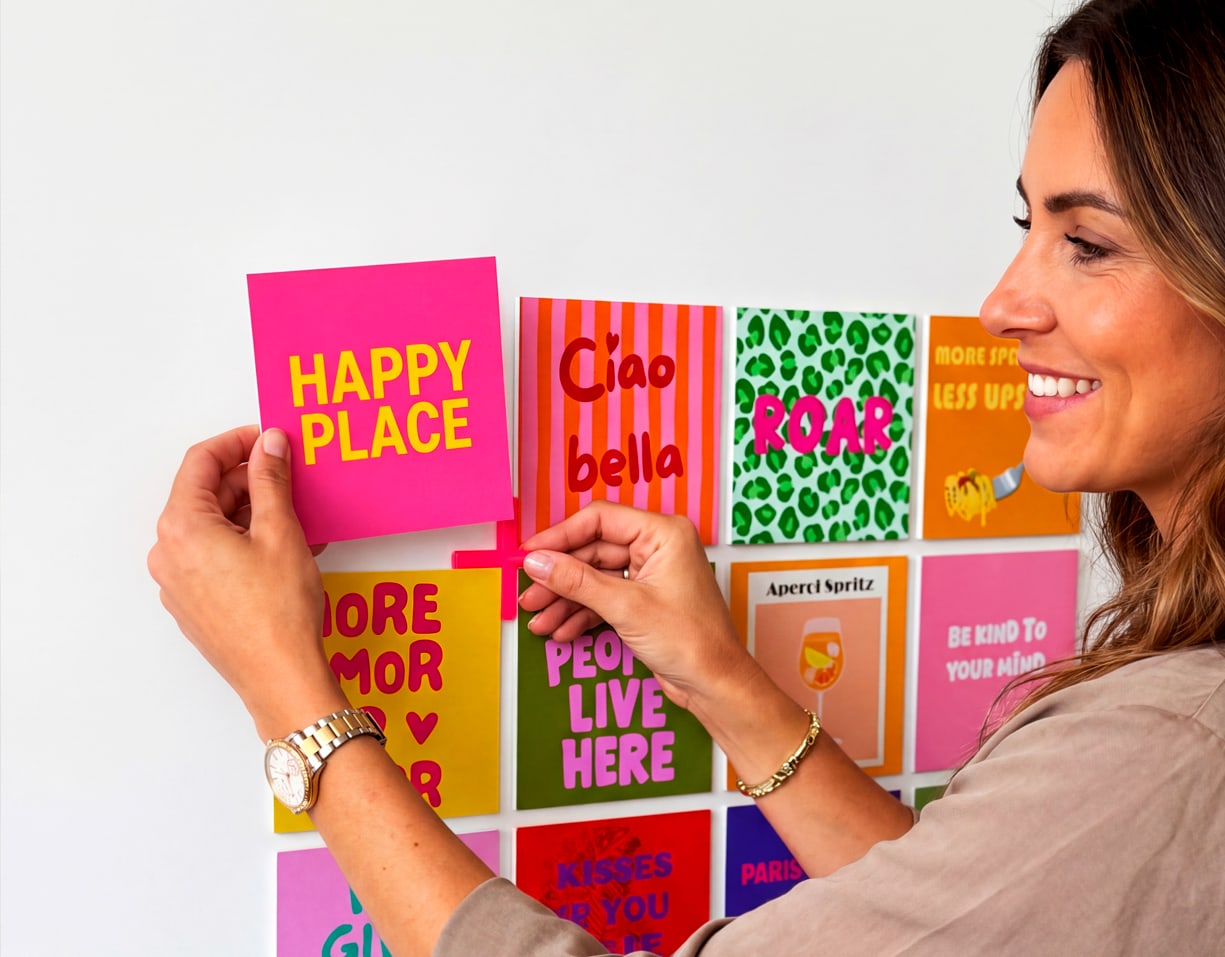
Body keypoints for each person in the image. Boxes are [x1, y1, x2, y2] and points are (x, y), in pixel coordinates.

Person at [148, 0, 1225, 953]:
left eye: (1087, 243)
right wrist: (713, 670)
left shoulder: (1174, 748)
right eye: (1024, 224)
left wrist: (291, 695)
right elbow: (974, 922)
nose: (1000, 303)